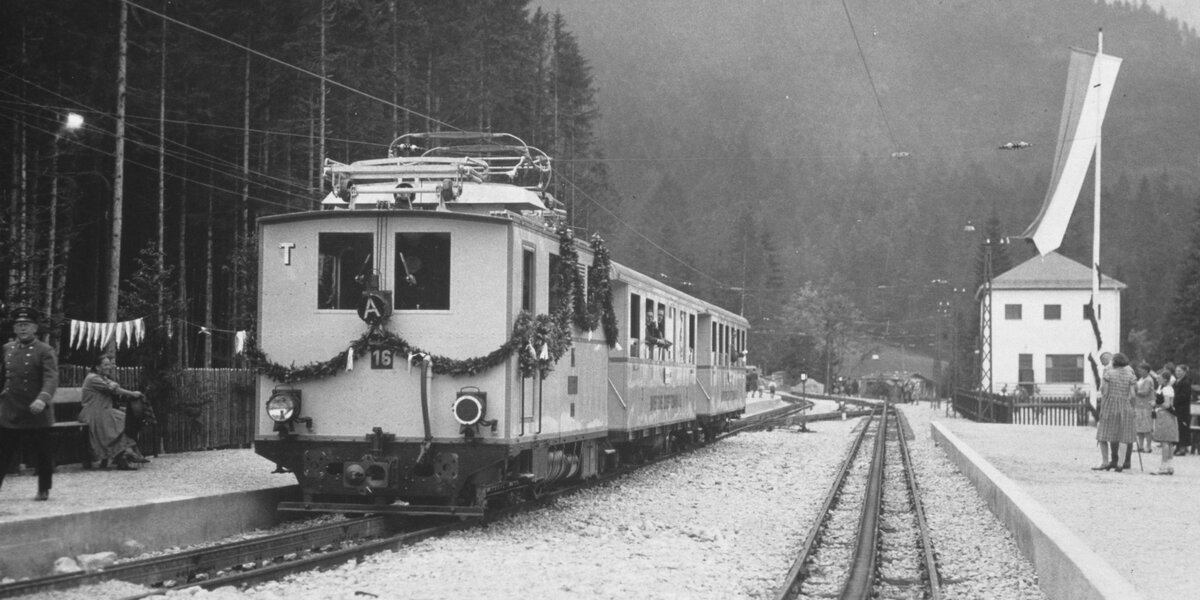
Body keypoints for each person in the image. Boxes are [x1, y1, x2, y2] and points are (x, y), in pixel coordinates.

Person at [0, 307, 59, 501]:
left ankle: (44, 488)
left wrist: (42, 399)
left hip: (36, 410)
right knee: (3, 452)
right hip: (12, 409)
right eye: (18, 325)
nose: (22, 328)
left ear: (35, 328)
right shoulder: (7, 349)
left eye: (26, 325)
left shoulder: (45, 350)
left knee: (43, 453)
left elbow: (51, 378)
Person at [80, 355, 149, 470]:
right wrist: (132, 393)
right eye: (105, 365)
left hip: (103, 410)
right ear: (97, 367)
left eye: (109, 364)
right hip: (92, 413)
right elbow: (115, 389)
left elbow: (113, 385)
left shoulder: (101, 377)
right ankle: (126, 453)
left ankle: (126, 454)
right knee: (119, 422)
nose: (109, 367)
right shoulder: (93, 378)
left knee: (126, 420)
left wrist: (112, 384)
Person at [1093, 352, 1136, 472]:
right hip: (1125, 406)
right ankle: (1120, 464)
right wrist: (1132, 407)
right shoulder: (1131, 375)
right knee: (1124, 436)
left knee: (1103, 435)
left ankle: (1105, 462)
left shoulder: (1109, 373)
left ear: (1114, 362)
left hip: (1110, 406)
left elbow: (1105, 392)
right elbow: (1132, 395)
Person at [1151, 371, 1179, 475]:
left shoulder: (1166, 389)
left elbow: (1167, 404)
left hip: (1165, 415)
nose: (1157, 379)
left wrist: (1156, 405)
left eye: (1160, 377)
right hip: (1169, 415)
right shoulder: (1164, 387)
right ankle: (1169, 466)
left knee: (1165, 441)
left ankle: (1163, 466)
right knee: (1170, 442)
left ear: (1165, 379)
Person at [1132, 363, 1156, 453]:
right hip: (1139, 405)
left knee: (1147, 427)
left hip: (1146, 406)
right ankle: (1140, 446)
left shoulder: (1149, 380)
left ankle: (1148, 446)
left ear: (1146, 370)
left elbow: (1145, 392)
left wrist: (1134, 391)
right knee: (1139, 427)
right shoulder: (1141, 379)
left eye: (1141, 370)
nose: (1139, 371)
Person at [1171, 364, 1191, 456]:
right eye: (1176, 371)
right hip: (1176, 408)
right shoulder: (1176, 382)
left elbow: (1185, 396)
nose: (1177, 373)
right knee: (1177, 427)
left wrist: (1174, 399)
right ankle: (1178, 445)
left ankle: (1183, 447)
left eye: (1180, 371)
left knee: (1182, 428)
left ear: (1184, 372)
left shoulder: (1186, 382)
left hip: (1183, 409)